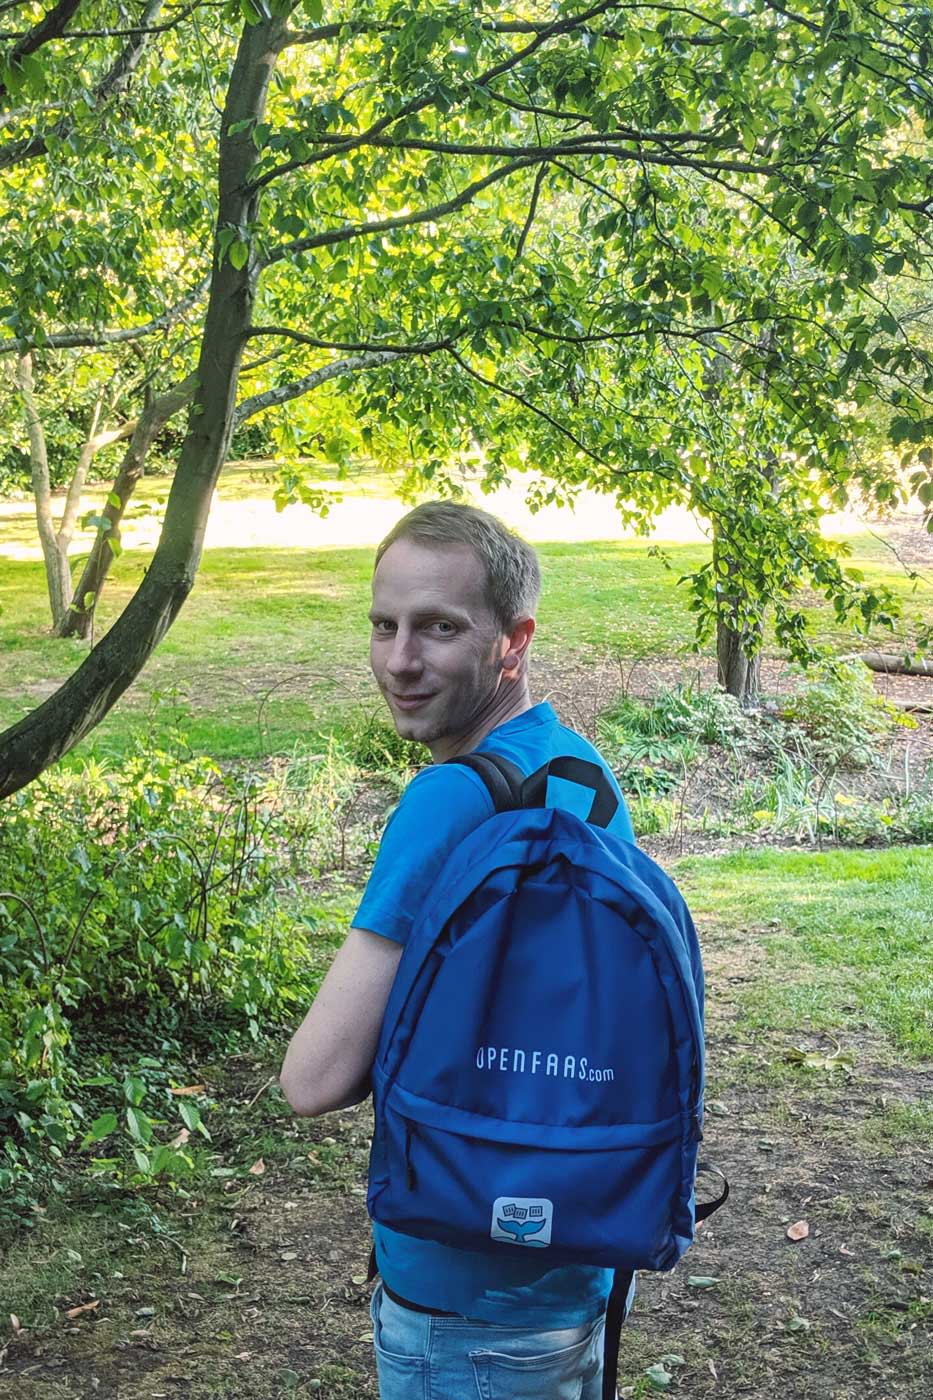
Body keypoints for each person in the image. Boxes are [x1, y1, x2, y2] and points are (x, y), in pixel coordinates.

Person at [280, 501, 636, 1400]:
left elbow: (313, 1079)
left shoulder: (448, 801)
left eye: (438, 628)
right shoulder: (577, 771)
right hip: (570, 1261)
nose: (400, 661)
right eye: (383, 626)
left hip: (458, 1304)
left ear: (512, 640)